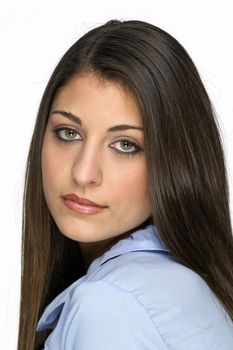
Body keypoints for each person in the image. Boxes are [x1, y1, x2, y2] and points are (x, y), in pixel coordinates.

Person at [17, 19, 233, 350]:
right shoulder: (185, 285)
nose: (84, 173)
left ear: (176, 162)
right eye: (69, 133)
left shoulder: (110, 305)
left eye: (126, 145)